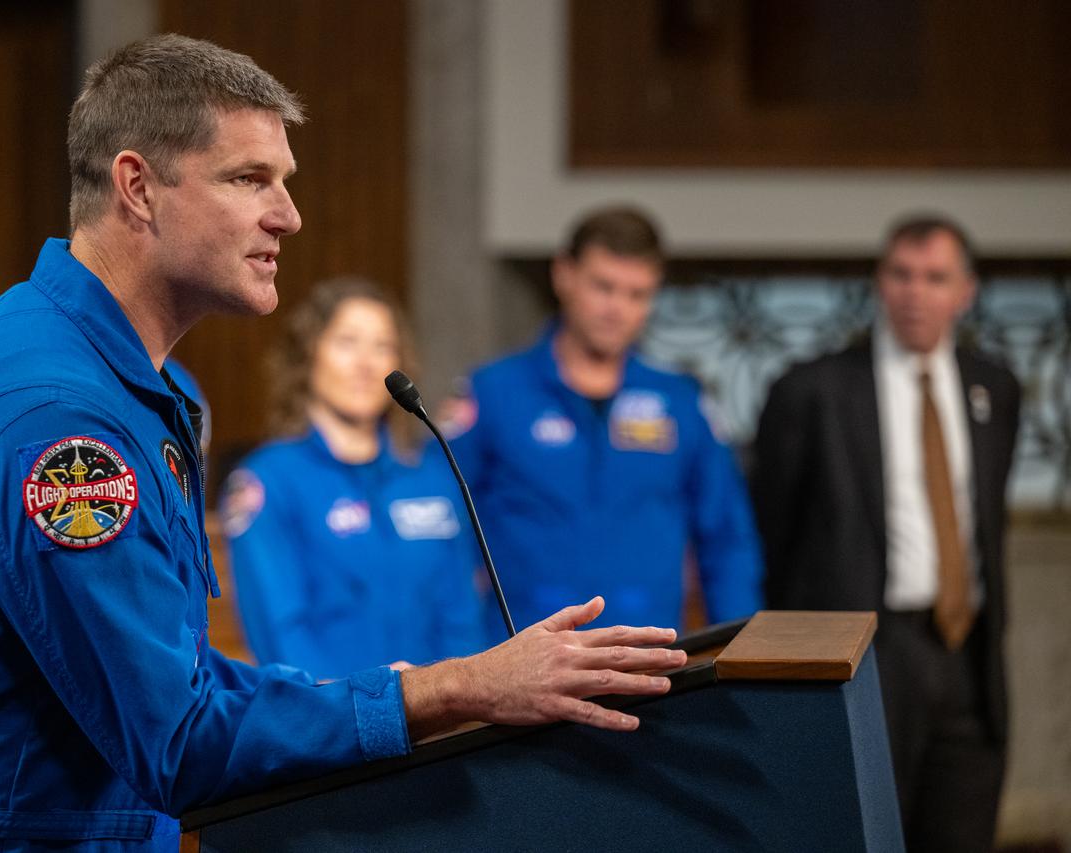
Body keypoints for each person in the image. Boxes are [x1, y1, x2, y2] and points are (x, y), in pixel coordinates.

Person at [0, 34, 686, 851]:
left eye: (283, 182)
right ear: (138, 187)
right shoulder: (56, 418)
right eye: (249, 179)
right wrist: (451, 688)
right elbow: (176, 740)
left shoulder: (140, 385)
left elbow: (183, 677)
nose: (288, 216)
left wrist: (399, 689)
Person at [751, 215, 1020, 853]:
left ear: (966, 291)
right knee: (863, 838)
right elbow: (773, 535)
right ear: (879, 281)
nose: (915, 292)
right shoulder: (811, 391)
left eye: (934, 277)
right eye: (900, 274)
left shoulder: (996, 387)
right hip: (867, 651)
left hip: (967, 652)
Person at [445, 206, 763, 635]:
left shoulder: (681, 402)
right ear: (564, 274)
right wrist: (463, 659)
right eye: (604, 287)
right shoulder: (493, 393)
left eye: (638, 294)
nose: (618, 309)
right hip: (520, 664)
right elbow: (442, 534)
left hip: (649, 662)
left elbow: (727, 542)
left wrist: (740, 656)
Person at [222, 277, 487, 677]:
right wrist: (369, 714)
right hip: (334, 724)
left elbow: (464, 618)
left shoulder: (433, 477)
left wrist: (456, 702)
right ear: (309, 352)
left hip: (446, 724)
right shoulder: (266, 484)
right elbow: (281, 637)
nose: (366, 363)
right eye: (347, 342)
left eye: (382, 346)